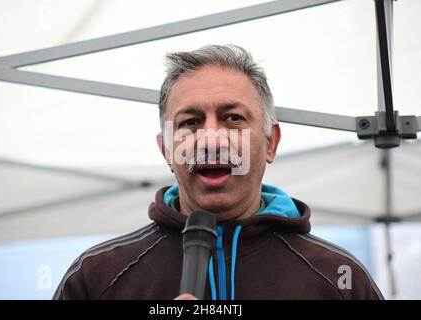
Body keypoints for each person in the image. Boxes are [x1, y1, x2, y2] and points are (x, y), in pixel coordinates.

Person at [53, 45, 383, 300]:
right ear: (167, 149)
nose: (211, 139)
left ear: (271, 142)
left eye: (233, 118)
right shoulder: (96, 277)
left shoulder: (340, 278)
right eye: (190, 122)